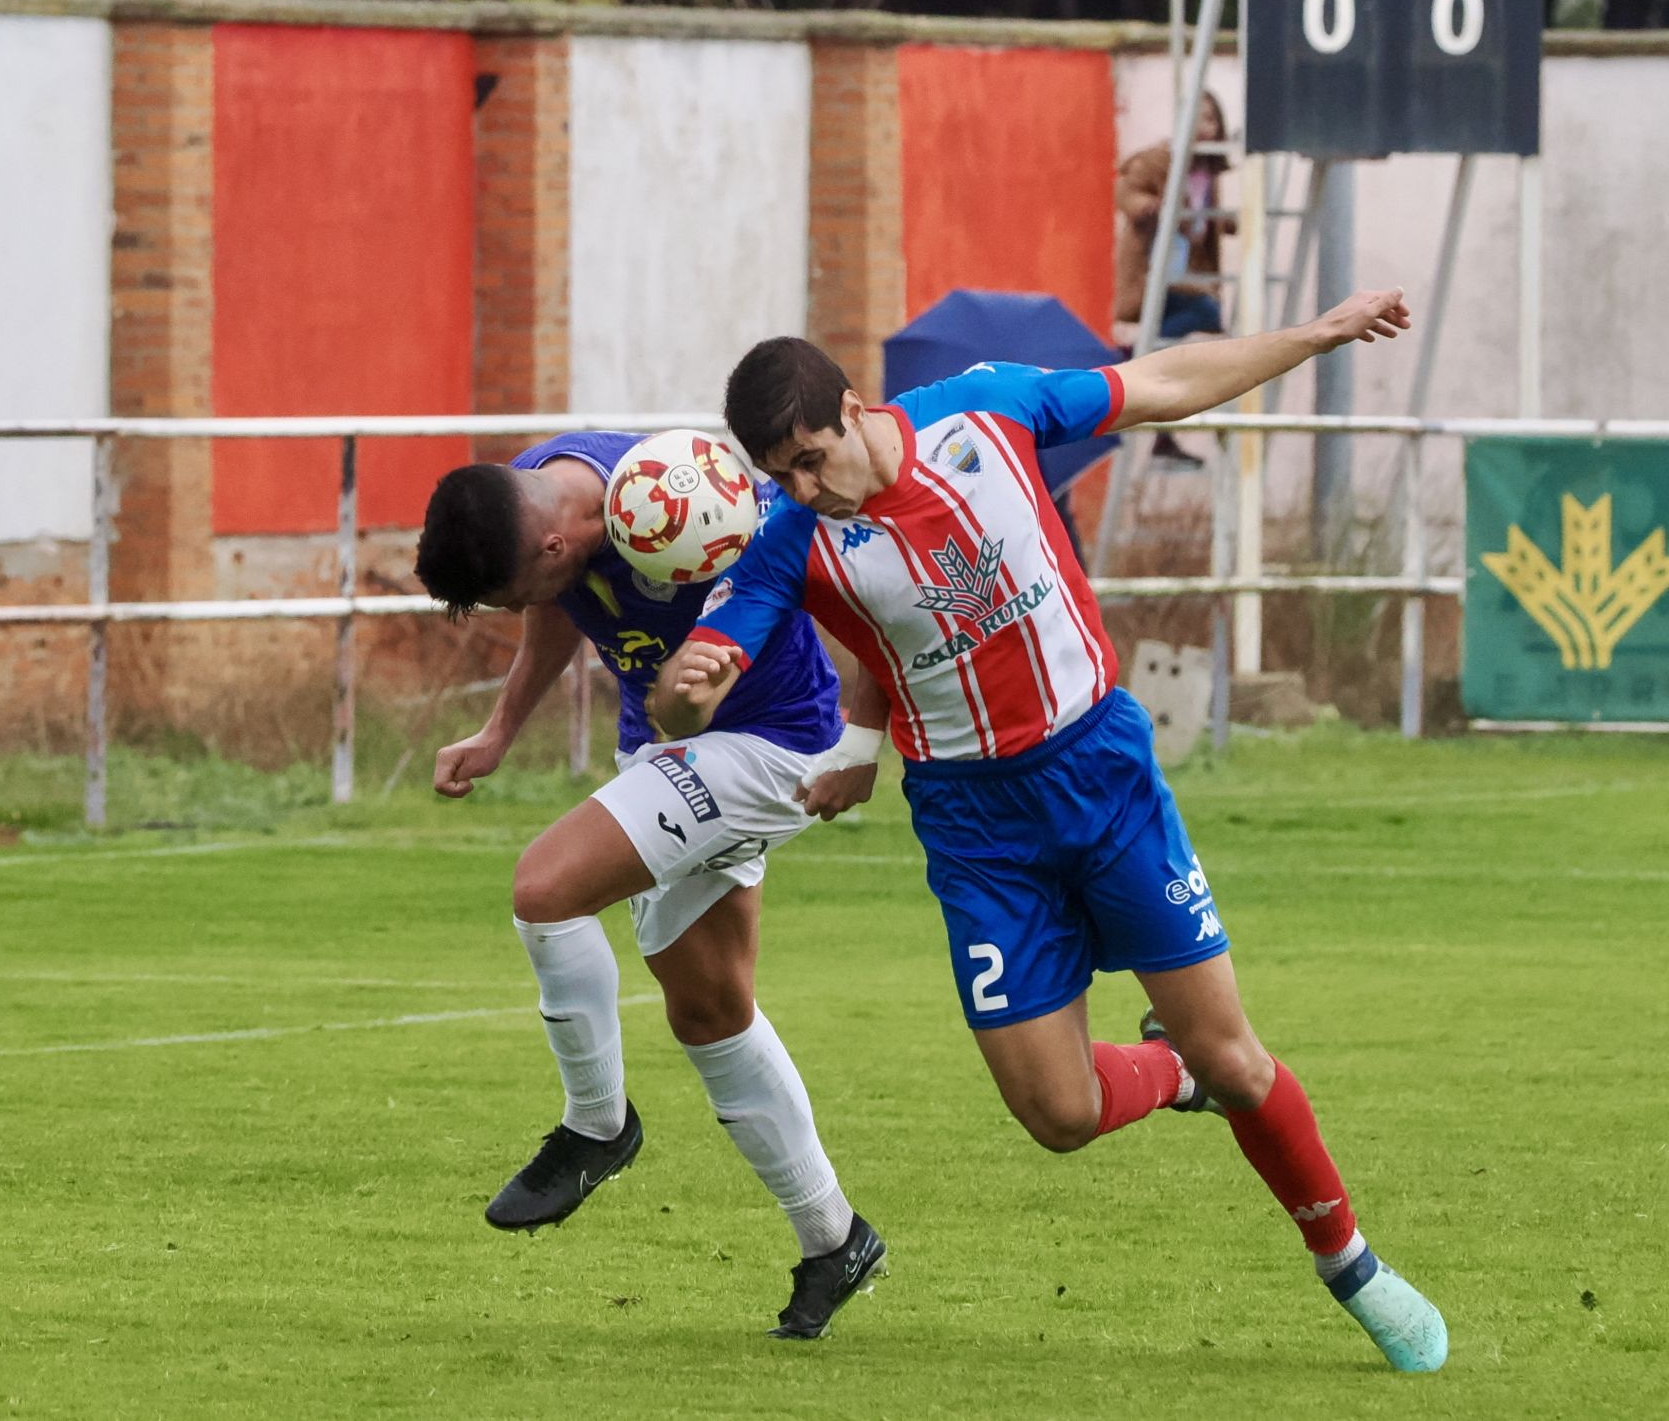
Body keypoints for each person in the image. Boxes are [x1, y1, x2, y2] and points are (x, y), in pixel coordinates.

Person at [648, 289, 1449, 1373]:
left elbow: (1166, 381)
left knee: (1241, 1054)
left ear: (852, 406)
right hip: (977, 829)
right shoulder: (794, 541)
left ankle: (1350, 1263)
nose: (801, 487)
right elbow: (699, 683)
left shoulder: (986, 417)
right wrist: (689, 698)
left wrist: (1316, 335)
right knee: (1058, 1115)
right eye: (779, 474)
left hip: (1101, 775)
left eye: (810, 457)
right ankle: (1173, 1078)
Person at [414, 433, 889, 1340]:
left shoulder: (684, 507)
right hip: (665, 749)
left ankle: (597, 1125)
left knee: (545, 887)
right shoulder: (545, 499)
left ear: (552, 546)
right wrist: (501, 729)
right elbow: (556, 611)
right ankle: (835, 1237)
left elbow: (849, 580)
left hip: (768, 745)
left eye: (512, 591)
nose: (520, 607)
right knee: (710, 1010)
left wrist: (860, 741)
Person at [1115, 90, 1235, 466]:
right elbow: (1126, 189)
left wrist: (1226, 220)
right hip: (1158, 272)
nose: (1205, 127)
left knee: (1182, 344)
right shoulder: (1161, 159)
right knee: (1206, 314)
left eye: (1211, 119)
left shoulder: (1210, 171)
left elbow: (1204, 219)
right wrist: (1152, 208)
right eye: (1198, 118)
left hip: (1188, 273)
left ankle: (1163, 436)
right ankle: (1138, 355)